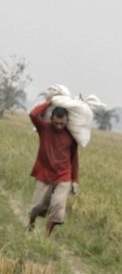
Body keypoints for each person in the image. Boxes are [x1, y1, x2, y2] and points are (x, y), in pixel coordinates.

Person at [27, 99, 79, 237]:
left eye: (62, 123)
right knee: (37, 206)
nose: (59, 126)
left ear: (67, 121)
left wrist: (74, 180)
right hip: (44, 173)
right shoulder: (44, 128)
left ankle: (46, 237)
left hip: (63, 176)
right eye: (56, 122)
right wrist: (49, 102)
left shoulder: (72, 136)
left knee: (57, 207)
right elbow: (33, 115)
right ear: (51, 119)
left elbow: (74, 158)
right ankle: (31, 222)